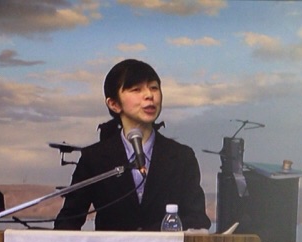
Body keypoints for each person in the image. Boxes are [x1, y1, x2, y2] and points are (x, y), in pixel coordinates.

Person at [54, 59, 211, 231]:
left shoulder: (181, 157)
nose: (149, 95)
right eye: (136, 89)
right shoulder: (94, 158)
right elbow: (68, 221)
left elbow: (198, 219)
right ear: (114, 104)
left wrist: (151, 236)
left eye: (154, 87)